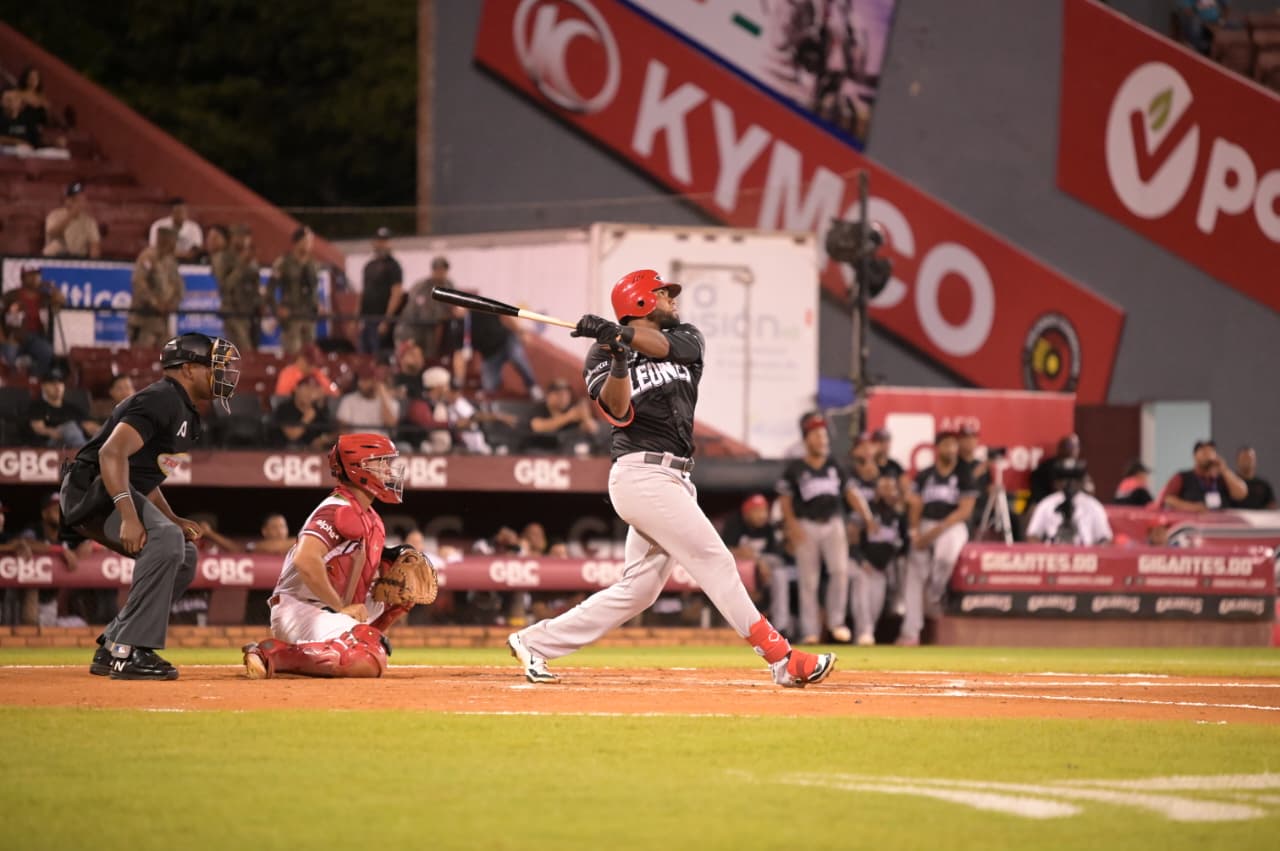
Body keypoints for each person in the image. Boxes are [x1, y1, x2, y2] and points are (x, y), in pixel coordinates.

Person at [506, 269, 836, 688]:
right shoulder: (600, 356)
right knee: (714, 560)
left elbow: (662, 347)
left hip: (676, 478)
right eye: (662, 293)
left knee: (639, 591)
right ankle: (781, 657)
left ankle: (535, 642)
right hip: (640, 475)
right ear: (640, 302)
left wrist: (620, 336)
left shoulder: (687, 337)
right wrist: (620, 357)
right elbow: (617, 411)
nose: (672, 300)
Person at [59, 333, 240, 679]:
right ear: (188, 369)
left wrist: (171, 516)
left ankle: (114, 642)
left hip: (116, 489)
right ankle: (131, 652)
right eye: (214, 366)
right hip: (90, 492)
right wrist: (128, 515)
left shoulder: (186, 411)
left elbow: (145, 475)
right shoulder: (161, 398)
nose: (221, 375)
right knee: (168, 539)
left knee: (184, 555)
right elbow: (111, 454)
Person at [241, 434, 420, 678]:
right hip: (300, 607)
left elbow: (356, 590)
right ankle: (271, 652)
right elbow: (305, 560)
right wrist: (342, 607)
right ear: (359, 468)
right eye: (382, 462)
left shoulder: (371, 519)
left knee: (396, 599)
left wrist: (391, 608)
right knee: (364, 659)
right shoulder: (336, 508)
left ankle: (351, 644)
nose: (389, 470)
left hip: (328, 610)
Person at [777, 411, 874, 644]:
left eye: (823, 436)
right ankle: (810, 630)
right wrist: (792, 526)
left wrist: (867, 517)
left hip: (833, 523)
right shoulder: (796, 468)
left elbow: (851, 493)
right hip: (806, 524)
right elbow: (785, 501)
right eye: (816, 435)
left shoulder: (835, 465)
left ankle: (836, 622)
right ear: (806, 439)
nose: (822, 440)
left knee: (840, 572)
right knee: (808, 580)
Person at [898, 431, 975, 646]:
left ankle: (934, 595)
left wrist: (934, 532)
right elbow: (915, 504)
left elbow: (965, 511)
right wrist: (915, 533)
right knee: (914, 572)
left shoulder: (964, 473)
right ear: (937, 448)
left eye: (953, 445)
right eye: (946, 445)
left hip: (951, 525)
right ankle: (910, 631)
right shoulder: (925, 475)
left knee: (945, 555)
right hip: (926, 523)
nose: (951, 449)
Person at [850, 473, 909, 646]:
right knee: (862, 595)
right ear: (877, 490)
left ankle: (865, 636)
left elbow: (904, 544)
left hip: (882, 568)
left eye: (892, 488)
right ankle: (864, 632)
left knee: (875, 606)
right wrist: (860, 559)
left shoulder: (898, 516)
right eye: (885, 488)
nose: (889, 492)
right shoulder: (866, 511)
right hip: (861, 564)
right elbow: (852, 537)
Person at [445, 292, 541, 398]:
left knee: (517, 357)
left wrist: (520, 332)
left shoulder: (480, 306)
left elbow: (504, 315)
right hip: (490, 354)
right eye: (453, 309)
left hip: (506, 341)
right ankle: (500, 394)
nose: (457, 310)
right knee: (489, 385)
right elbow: (459, 355)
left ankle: (532, 386)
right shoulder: (457, 328)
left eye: (458, 306)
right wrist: (459, 381)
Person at [721, 493, 792, 636]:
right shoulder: (734, 523)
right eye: (757, 511)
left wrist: (758, 561)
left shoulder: (769, 528)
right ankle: (730, 629)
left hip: (763, 573)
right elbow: (723, 551)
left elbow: (776, 558)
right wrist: (753, 561)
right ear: (747, 513)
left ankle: (781, 627)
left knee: (780, 574)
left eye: (764, 511)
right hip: (737, 572)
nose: (762, 515)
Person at [1026, 459, 1112, 545]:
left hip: (1085, 553)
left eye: (1074, 479)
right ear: (1056, 482)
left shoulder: (1093, 505)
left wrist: (1097, 555)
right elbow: (1033, 535)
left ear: (1081, 481)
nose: (1069, 483)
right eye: (1064, 478)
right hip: (1054, 553)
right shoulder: (1046, 503)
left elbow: (1105, 538)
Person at [1, 263, 61, 378]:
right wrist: (3, 337)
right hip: (14, 336)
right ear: (23, 277)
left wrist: (52, 288)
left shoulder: (44, 297)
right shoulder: (11, 295)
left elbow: (61, 301)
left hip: (37, 337)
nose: (35, 278)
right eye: (31, 275)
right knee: (9, 355)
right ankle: (13, 383)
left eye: (37, 275)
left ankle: (33, 379)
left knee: (46, 352)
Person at [128, 227, 185, 346]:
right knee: (142, 355)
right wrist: (155, 302)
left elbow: (179, 286)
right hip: (145, 319)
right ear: (164, 240)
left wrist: (172, 304)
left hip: (163, 321)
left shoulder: (171, 261)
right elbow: (139, 283)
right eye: (173, 241)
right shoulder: (148, 257)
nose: (175, 245)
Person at [270, 226, 320, 356]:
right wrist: (277, 309)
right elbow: (270, 291)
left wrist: (317, 304)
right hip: (291, 318)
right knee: (294, 355)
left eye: (310, 241)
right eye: (306, 241)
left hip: (309, 316)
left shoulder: (313, 264)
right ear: (297, 242)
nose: (309, 245)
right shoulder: (283, 263)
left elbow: (314, 289)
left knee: (310, 355)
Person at [1160, 439, 1248, 512]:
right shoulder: (1182, 477)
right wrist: (1192, 507)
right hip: (1192, 527)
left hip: (1220, 526)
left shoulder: (1222, 478)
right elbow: (1168, 499)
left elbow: (1241, 493)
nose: (1208, 454)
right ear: (1194, 456)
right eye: (1203, 451)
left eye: (1211, 451)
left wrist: (1224, 470)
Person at [213, 224, 261, 353]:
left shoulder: (251, 258)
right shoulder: (222, 258)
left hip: (249, 311)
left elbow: (255, 283)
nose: (243, 240)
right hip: (232, 310)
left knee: (249, 348)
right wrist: (241, 265)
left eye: (246, 237)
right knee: (243, 348)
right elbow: (225, 286)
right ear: (232, 238)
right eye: (239, 236)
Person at [394, 255, 453, 360]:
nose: (440, 272)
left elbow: (451, 308)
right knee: (411, 355)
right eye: (437, 269)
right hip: (414, 326)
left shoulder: (449, 286)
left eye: (443, 269)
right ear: (433, 270)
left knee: (429, 357)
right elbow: (416, 309)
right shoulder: (422, 286)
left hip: (432, 328)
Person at [523, 377, 600, 454]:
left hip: (566, 452)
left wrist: (586, 417)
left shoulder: (572, 409)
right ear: (549, 395)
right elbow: (538, 427)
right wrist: (569, 416)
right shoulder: (539, 408)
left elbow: (592, 429)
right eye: (559, 394)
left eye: (566, 394)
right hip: (540, 449)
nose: (563, 397)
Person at [360, 226, 405, 355]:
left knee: (379, 355)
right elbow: (363, 292)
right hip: (366, 318)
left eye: (385, 241)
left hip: (381, 318)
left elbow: (397, 294)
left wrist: (387, 319)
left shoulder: (394, 266)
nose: (382, 244)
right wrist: (356, 317)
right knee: (364, 354)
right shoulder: (369, 265)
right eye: (379, 240)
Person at [28, 368, 98, 448]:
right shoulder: (38, 406)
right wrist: (57, 431)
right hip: (49, 445)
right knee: (69, 427)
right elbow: (39, 428)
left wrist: (105, 432)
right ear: (44, 386)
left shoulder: (71, 408)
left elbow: (89, 426)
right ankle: (85, 453)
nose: (57, 387)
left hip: (73, 443)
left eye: (60, 383)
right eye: (53, 383)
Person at [336, 364, 399, 439]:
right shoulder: (348, 400)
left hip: (381, 445)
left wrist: (382, 392)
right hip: (356, 444)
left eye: (367, 380)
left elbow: (391, 424)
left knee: (404, 448)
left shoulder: (389, 401)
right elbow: (343, 431)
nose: (361, 384)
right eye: (361, 380)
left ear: (376, 381)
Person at [273, 375, 336, 451]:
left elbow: (333, 433)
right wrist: (307, 418)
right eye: (306, 388)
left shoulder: (318, 409)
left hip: (313, 454)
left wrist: (323, 439)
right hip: (286, 453)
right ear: (296, 389)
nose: (309, 393)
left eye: (313, 389)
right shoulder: (285, 408)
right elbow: (292, 435)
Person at [43, 181, 101, 259]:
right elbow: (53, 232)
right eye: (75, 200)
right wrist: (71, 216)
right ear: (67, 200)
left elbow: (95, 246)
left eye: (81, 199)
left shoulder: (89, 222)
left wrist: (93, 264)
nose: (78, 203)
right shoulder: (54, 215)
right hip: (54, 259)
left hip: (77, 261)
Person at [148, 197, 203, 263]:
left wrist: (182, 255)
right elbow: (154, 247)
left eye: (183, 211)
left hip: (188, 262)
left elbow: (196, 248)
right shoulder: (158, 225)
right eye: (178, 211)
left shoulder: (194, 227)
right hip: (163, 262)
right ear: (171, 212)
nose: (181, 215)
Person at [274, 343, 339, 398]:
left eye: (314, 364)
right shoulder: (287, 373)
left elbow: (335, 393)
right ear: (301, 359)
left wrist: (321, 391)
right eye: (310, 364)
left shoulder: (317, 373)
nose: (312, 368)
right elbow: (281, 398)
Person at [870, 427, 910, 500]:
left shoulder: (895, 465)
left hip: (893, 500)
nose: (884, 445)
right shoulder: (868, 464)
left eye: (886, 442)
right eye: (880, 442)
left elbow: (905, 485)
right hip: (874, 499)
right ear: (873, 444)